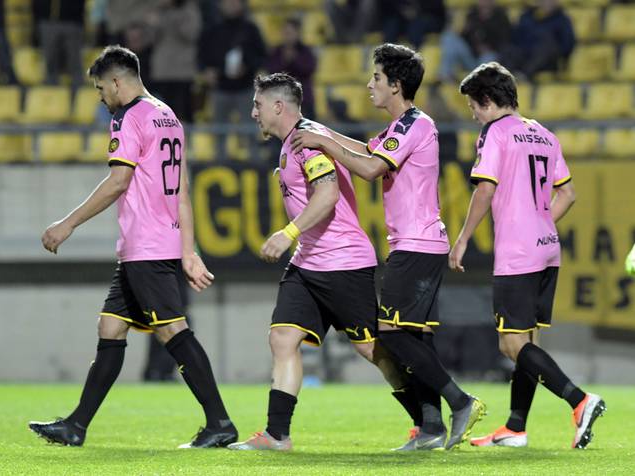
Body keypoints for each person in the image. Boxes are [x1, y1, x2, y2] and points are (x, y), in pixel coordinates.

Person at [28, 45, 237, 449]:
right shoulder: (168, 115)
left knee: (173, 331)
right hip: (154, 243)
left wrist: (66, 224)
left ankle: (220, 422)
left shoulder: (129, 117)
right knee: (111, 326)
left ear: (117, 81)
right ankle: (76, 425)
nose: (101, 97)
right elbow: (182, 188)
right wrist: (188, 249)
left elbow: (118, 182)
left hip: (147, 244)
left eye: (101, 88)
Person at [290, 43, 486, 451]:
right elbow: (366, 151)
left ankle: (461, 402)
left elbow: (371, 168)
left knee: (388, 332)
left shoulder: (416, 124)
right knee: (418, 339)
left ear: (396, 85)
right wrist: (324, 134)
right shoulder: (400, 127)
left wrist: (323, 144)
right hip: (415, 244)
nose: (369, 85)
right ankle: (432, 428)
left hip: (417, 244)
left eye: (376, 78)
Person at [228, 73, 423, 451]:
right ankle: (277, 435)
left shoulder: (307, 140)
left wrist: (287, 233)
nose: (253, 113)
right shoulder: (293, 142)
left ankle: (426, 418)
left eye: (258, 105)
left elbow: (328, 194)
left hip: (343, 261)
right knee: (283, 337)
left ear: (278, 106)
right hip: (309, 263)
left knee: (372, 350)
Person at [450, 61, 605, 449]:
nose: (472, 114)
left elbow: (484, 190)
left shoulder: (494, 134)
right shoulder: (544, 134)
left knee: (510, 345)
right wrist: (539, 221)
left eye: (472, 106)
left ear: (486, 101)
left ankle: (580, 400)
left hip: (517, 250)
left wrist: (464, 237)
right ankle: (516, 427)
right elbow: (567, 193)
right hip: (547, 247)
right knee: (528, 338)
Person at [197, 0, 267, 160]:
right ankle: (220, 164)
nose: (231, 5)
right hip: (220, 89)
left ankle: (254, 165)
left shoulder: (250, 29)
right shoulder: (212, 30)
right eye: (227, 2)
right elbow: (201, 57)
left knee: (250, 130)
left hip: (246, 89)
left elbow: (262, 56)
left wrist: (248, 67)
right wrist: (206, 72)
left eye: (235, 2)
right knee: (219, 131)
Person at [439, 0, 511, 83]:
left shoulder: (501, 17)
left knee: (489, 56)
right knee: (448, 36)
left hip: (487, 58)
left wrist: (489, 48)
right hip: (470, 58)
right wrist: (466, 33)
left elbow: (505, 41)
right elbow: (465, 39)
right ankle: (446, 75)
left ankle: (481, 84)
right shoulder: (472, 15)